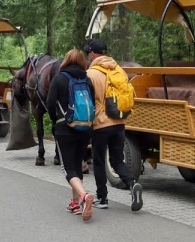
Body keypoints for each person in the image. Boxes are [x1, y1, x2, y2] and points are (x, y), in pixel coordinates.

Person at [85, 39, 144, 212]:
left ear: (93, 54)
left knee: (98, 161)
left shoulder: (91, 73)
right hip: (119, 123)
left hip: (101, 124)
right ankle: (132, 184)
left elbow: (88, 101)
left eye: (89, 53)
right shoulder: (119, 70)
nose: (88, 56)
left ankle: (102, 198)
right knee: (117, 160)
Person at [45, 49, 96, 221]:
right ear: (82, 62)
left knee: (68, 168)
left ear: (66, 60)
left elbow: (50, 103)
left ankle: (83, 196)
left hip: (65, 128)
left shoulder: (59, 78)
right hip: (85, 128)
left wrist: (55, 121)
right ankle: (75, 204)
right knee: (77, 163)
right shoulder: (87, 80)